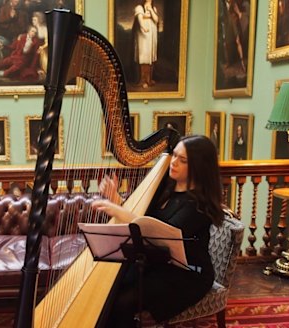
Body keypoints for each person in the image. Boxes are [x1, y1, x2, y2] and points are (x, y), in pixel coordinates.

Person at [92, 135, 224, 327]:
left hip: (186, 275)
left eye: (183, 160)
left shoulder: (199, 206)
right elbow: (145, 219)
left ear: (198, 167)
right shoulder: (167, 186)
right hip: (157, 262)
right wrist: (117, 199)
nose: (174, 162)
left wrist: (116, 209)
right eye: (174, 155)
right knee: (109, 289)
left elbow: (159, 230)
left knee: (122, 302)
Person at [132, 0, 160, 88]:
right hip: (143, 36)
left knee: (150, 57)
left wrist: (151, 10)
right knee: (144, 57)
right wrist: (143, 27)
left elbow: (156, 20)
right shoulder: (139, 8)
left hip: (152, 36)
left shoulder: (153, 8)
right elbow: (140, 20)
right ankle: (143, 80)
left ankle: (149, 80)